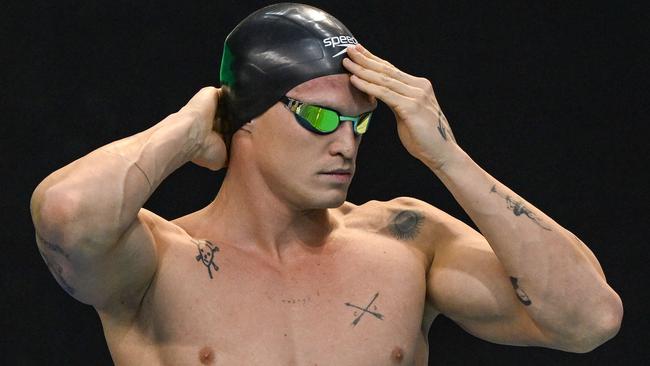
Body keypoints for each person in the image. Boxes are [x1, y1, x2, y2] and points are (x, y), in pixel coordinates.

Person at [30, 3, 622, 365]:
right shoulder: (155, 262)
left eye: (359, 121)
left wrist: (449, 158)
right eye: (317, 116)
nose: (346, 142)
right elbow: (66, 210)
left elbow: (589, 320)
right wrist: (190, 127)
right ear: (244, 120)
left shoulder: (405, 243)